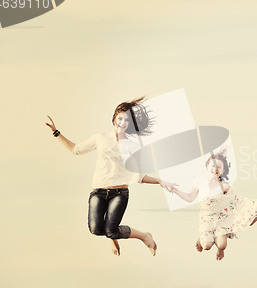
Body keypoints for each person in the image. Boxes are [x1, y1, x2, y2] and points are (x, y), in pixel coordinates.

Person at [45, 97, 174, 256]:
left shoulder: (132, 146)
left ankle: (144, 236)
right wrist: (55, 132)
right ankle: (112, 236)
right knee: (96, 229)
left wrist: (160, 181)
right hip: (98, 191)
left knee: (111, 230)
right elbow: (75, 149)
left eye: (127, 120)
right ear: (114, 119)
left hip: (119, 193)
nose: (123, 122)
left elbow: (139, 176)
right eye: (120, 118)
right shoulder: (101, 138)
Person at [169, 150, 257, 260]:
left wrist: (250, 211)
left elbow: (237, 200)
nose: (215, 168)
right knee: (206, 246)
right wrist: (175, 190)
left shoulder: (225, 186)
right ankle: (202, 237)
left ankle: (220, 250)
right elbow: (190, 197)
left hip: (220, 220)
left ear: (223, 170)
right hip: (206, 219)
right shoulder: (200, 181)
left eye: (219, 167)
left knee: (222, 245)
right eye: (213, 165)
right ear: (207, 166)